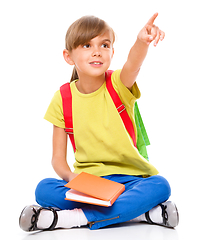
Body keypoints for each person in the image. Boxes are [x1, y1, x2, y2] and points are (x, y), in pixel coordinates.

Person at [19, 13, 179, 232]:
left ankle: (72, 219)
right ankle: (141, 213)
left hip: (129, 182)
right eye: (86, 45)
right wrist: (72, 178)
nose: (96, 51)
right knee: (44, 189)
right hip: (89, 185)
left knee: (160, 185)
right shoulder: (62, 98)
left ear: (112, 52)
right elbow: (57, 158)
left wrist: (142, 42)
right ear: (68, 56)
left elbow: (134, 63)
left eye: (104, 45)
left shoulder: (118, 84)